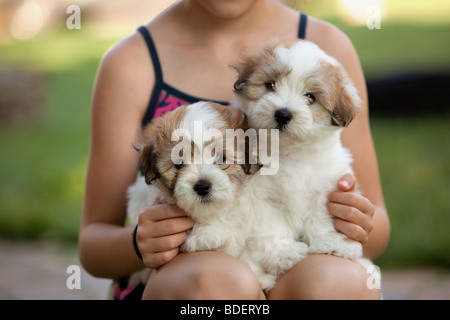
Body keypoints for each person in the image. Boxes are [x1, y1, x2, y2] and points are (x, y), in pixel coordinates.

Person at [79, 0, 390, 300]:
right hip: (184, 280)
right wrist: (140, 243)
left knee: (344, 284)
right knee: (215, 284)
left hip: (295, 267)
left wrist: (357, 224)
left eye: (308, 97)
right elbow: (93, 246)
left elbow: (376, 229)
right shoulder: (131, 62)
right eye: (269, 85)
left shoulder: (329, 46)